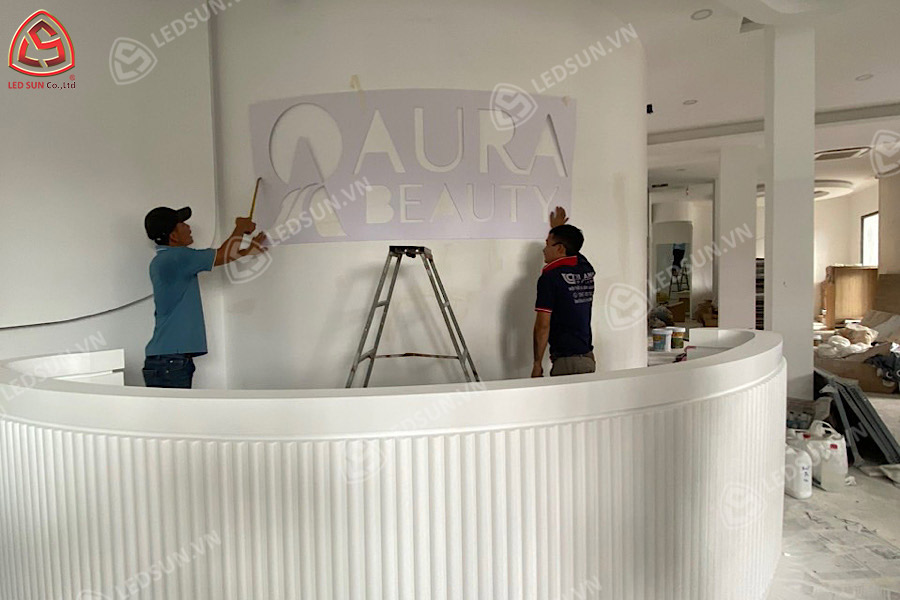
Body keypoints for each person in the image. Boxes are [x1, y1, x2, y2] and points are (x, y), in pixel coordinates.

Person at [142, 206, 267, 388]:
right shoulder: (177, 257)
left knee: (168, 408)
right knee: (176, 408)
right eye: (182, 224)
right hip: (171, 362)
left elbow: (223, 256)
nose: (188, 227)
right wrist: (240, 228)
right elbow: (222, 254)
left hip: (166, 360)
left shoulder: (164, 260)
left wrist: (247, 251)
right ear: (173, 236)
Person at [532, 206, 596, 377]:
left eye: (548, 244)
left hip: (568, 364)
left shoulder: (550, 278)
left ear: (560, 248)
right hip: (587, 358)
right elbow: (573, 250)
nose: (544, 249)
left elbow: (542, 326)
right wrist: (559, 230)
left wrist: (537, 363)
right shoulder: (585, 268)